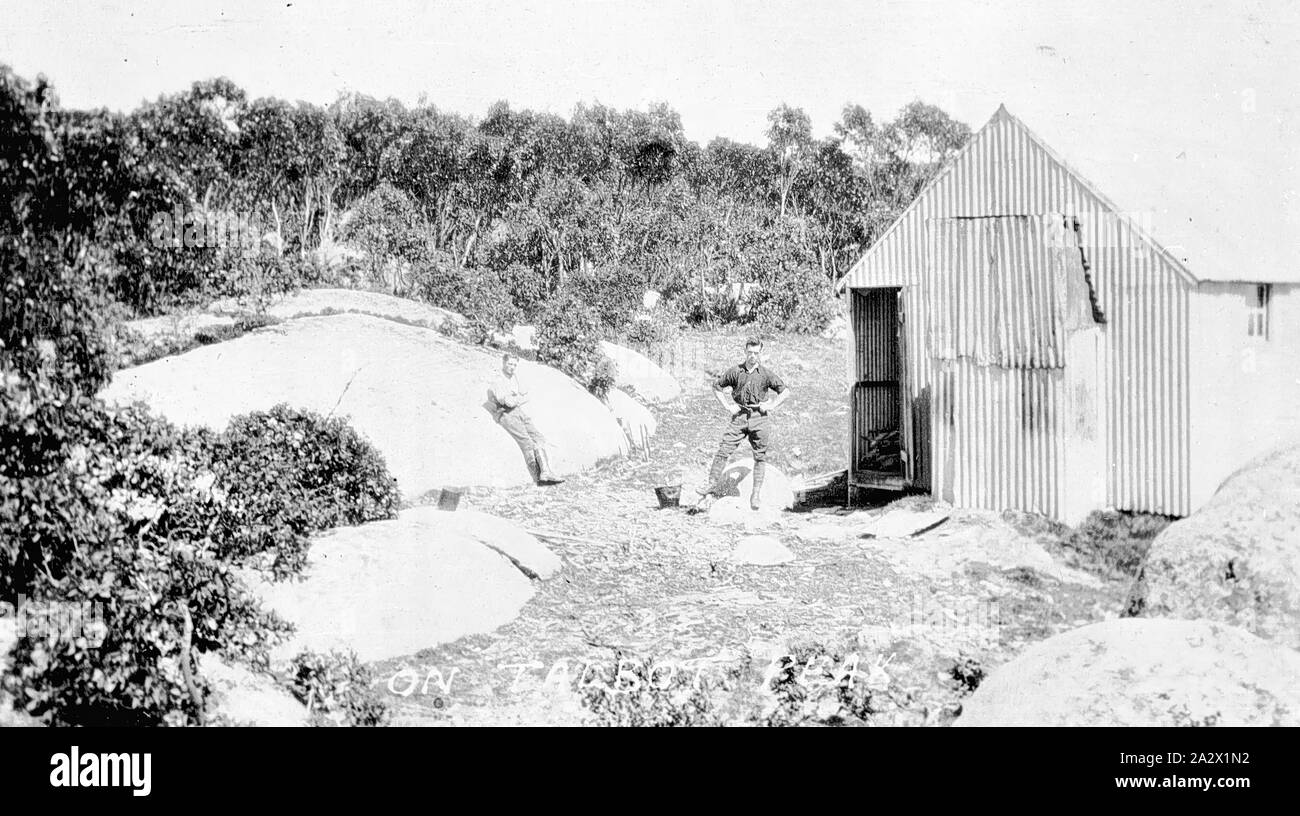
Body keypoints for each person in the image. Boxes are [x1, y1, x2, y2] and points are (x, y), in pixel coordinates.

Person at [699, 336, 791, 510]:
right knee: (724, 449)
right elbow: (717, 387)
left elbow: (785, 391)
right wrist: (728, 406)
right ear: (745, 351)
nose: (752, 356)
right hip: (740, 416)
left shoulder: (765, 374)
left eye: (756, 353)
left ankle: (755, 495)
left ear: (760, 353)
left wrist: (770, 405)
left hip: (759, 417)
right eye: (750, 352)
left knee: (760, 456)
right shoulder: (735, 371)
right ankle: (710, 484)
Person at [489, 353, 564, 485]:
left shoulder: (513, 378)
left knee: (539, 438)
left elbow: (525, 394)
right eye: (510, 364)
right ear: (503, 363)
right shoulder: (497, 379)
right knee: (527, 443)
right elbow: (507, 402)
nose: (512, 367)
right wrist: (516, 398)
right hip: (505, 414)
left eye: (514, 365)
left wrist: (515, 397)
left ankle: (546, 472)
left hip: (518, 411)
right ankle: (538, 479)